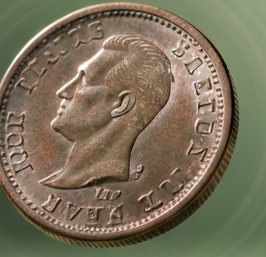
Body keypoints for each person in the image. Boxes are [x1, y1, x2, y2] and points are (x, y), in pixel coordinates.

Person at [40, 34, 173, 189]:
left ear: (123, 104)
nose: (63, 91)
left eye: (84, 81)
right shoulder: (60, 179)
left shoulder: (101, 178)